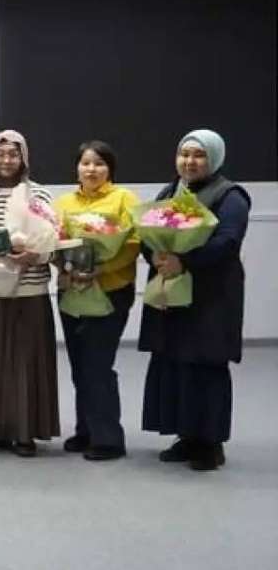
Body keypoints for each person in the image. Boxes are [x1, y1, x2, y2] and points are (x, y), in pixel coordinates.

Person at [140, 129, 250, 471]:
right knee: (175, 361)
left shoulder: (231, 196)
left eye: (199, 155)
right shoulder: (170, 191)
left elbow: (227, 241)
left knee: (206, 364)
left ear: (214, 158)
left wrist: (184, 261)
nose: (189, 161)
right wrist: (155, 255)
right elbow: (147, 233)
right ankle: (186, 436)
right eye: (184, 154)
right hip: (173, 293)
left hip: (211, 297)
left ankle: (210, 444)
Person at [0, 130, 59, 457]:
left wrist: (34, 255)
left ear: (23, 158)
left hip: (29, 291)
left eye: (13, 154)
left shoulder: (38, 194)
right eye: (0, 154)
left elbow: (52, 243)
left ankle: (25, 432)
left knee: (25, 363)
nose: (6, 160)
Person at [52, 141, 140, 461]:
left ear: (110, 169)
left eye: (99, 163)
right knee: (80, 365)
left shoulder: (124, 199)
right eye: (86, 163)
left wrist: (101, 268)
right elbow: (53, 240)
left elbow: (132, 244)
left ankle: (109, 439)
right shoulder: (64, 202)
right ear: (77, 168)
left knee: (98, 365)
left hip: (111, 290)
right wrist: (62, 266)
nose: (92, 169)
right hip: (72, 289)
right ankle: (86, 430)